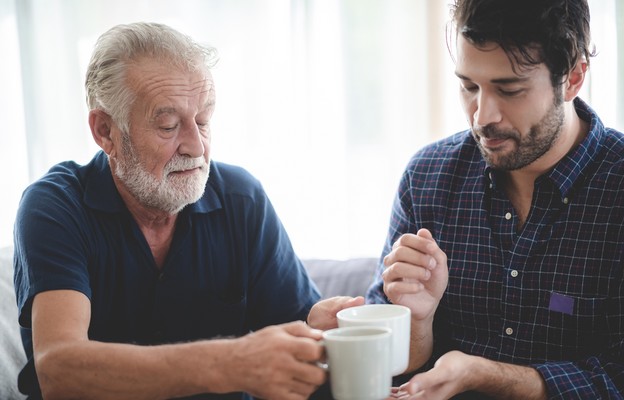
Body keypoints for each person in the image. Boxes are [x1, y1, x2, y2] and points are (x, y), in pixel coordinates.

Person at [13, 22, 359, 400]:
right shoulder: (55, 208)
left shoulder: (241, 200)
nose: (196, 146)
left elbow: (303, 350)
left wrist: (320, 335)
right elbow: (59, 371)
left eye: (204, 121)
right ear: (106, 131)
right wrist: (233, 362)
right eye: (168, 125)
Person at [367, 0, 624, 399]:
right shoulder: (427, 177)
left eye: (509, 89)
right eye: (469, 86)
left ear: (573, 77)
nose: (482, 116)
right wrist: (417, 322)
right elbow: (383, 362)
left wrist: (488, 376)